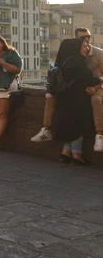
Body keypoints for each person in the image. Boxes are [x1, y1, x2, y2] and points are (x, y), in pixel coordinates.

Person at [32, 27, 103, 152]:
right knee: (52, 97)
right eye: (83, 38)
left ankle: (99, 135)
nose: (86, 40)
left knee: (96, 100)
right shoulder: (72, 53)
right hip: (77, 88)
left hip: (94, 85)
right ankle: (46, 129)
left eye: (88, 37)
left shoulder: (98, 53)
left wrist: (95, 86)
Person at [53, 37, 100, 165]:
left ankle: (65, 152)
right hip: (77, 99)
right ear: (76, 48)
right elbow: (88, 79)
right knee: (78, 126)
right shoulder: (78, 61)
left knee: (71, 125)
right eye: (84, 46)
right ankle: (77, 155)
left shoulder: (65, 60)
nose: (87, 48)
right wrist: (100, 79)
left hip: (66, 98)